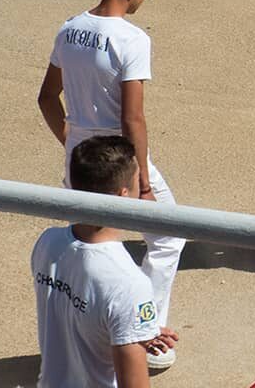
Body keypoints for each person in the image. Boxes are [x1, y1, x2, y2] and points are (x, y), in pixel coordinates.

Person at [37, 0, 184, 370]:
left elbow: (47, 97)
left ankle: (89, 331)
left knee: (84, 242)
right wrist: (143, 183)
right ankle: (145, 332)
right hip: (119, 160)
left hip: (80, 159)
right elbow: (132, 117)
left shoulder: (69, 30)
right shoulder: (132, 39)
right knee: (169, 236)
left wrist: (70, 141)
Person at [31, 135, 178, 388]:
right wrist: (130, 324)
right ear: (122, 195)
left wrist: (133, 330)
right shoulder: (130, 283)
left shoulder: (47, 243)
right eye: (136, 183)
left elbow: (81, 317)